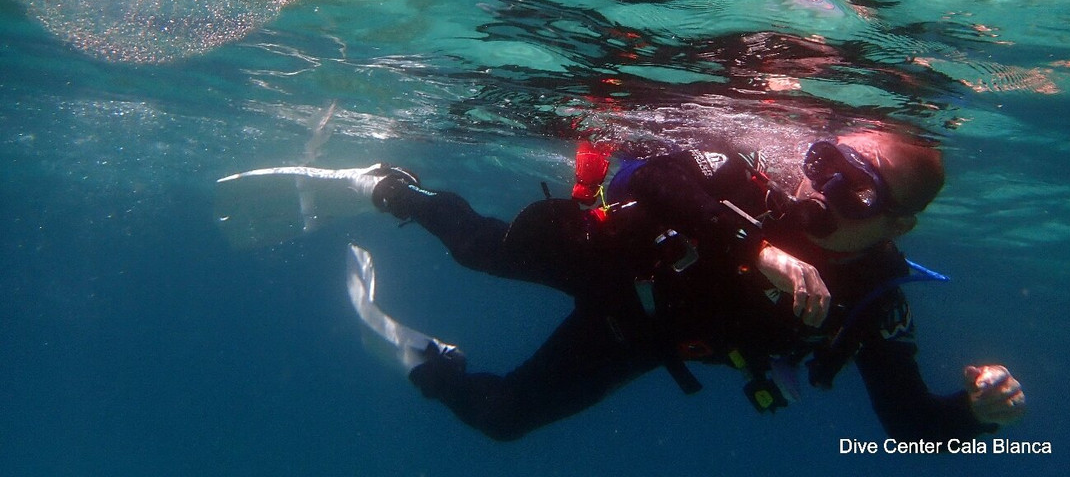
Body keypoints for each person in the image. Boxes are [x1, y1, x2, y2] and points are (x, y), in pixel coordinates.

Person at [217, 130, 1026, 442]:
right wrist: (755, 247)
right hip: (612, 255)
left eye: (853, 192)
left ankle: (430, 363)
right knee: (477, 249)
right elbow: (669, 173)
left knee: (502, 419)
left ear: (896, 229)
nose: (816, 192)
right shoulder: (751, 184)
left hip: (642, 335)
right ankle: (388, 187)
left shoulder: (873, 301)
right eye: (822, 162)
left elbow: (911, 425)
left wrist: (975, 416)